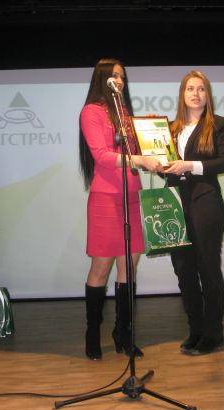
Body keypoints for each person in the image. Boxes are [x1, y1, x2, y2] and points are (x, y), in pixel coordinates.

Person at [79, 58, 163, 360]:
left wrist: (148, 133)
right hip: (105, 197)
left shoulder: (124, 113)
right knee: (101, 268)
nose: (120, 81)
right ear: (102, 78)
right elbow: (101, 156)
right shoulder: (91, 112)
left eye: (123, 77)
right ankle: (92, 333)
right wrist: (138, 159)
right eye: (115, 76)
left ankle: (123, 333)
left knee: (129, 266)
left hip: (131, 195)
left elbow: (136, 152)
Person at [163, 70, 224, 355]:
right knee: (184, 272)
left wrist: (189, 166)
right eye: (190, 88)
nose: (195, 93)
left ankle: (213, 334)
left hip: (206, 203)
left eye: (201, 89)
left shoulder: (218, 124)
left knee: (208, 270)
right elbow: (165, 167)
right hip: (174, 205)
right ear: (182, 94)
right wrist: (159, 164)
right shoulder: (170, 128)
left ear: (207, 94)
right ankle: (196, 329)